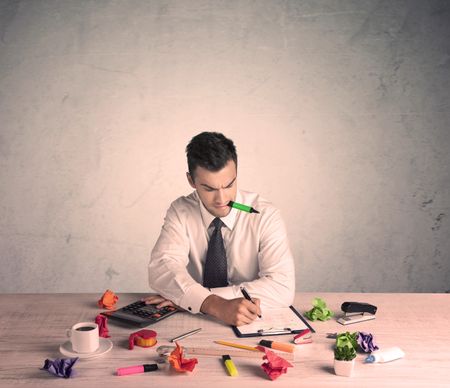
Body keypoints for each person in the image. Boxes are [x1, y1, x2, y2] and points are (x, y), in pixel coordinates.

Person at [146, 132, 295, 326]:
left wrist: (197, 299)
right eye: (209, 189)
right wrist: (214, 304)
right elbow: (162, 268)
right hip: (192, 322)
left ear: (236, 174)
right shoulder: (180, 211)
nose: (222, 199)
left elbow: (281, 287)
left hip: (252, 322)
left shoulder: (264, 214)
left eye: (229, 185)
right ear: (191, 181)